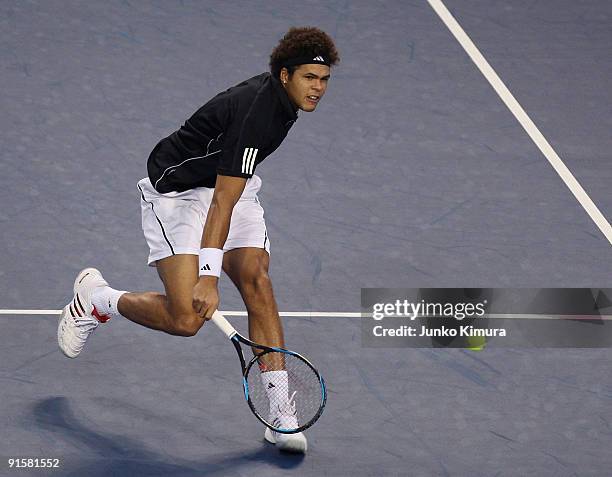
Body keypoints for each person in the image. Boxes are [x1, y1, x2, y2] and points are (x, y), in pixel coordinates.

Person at [57, 26, 339, 454]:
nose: (318, 88)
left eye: (324, 79)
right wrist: (208, 277)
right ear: (285, 75)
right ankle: (98, 299)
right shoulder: (258, 114)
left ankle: (280, 414)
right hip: (178, 194)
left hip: (229, 184)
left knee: (256, 279)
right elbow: (220, 205)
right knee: (186, 319)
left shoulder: (284, 104)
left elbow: (230, 194)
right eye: (309, 78)